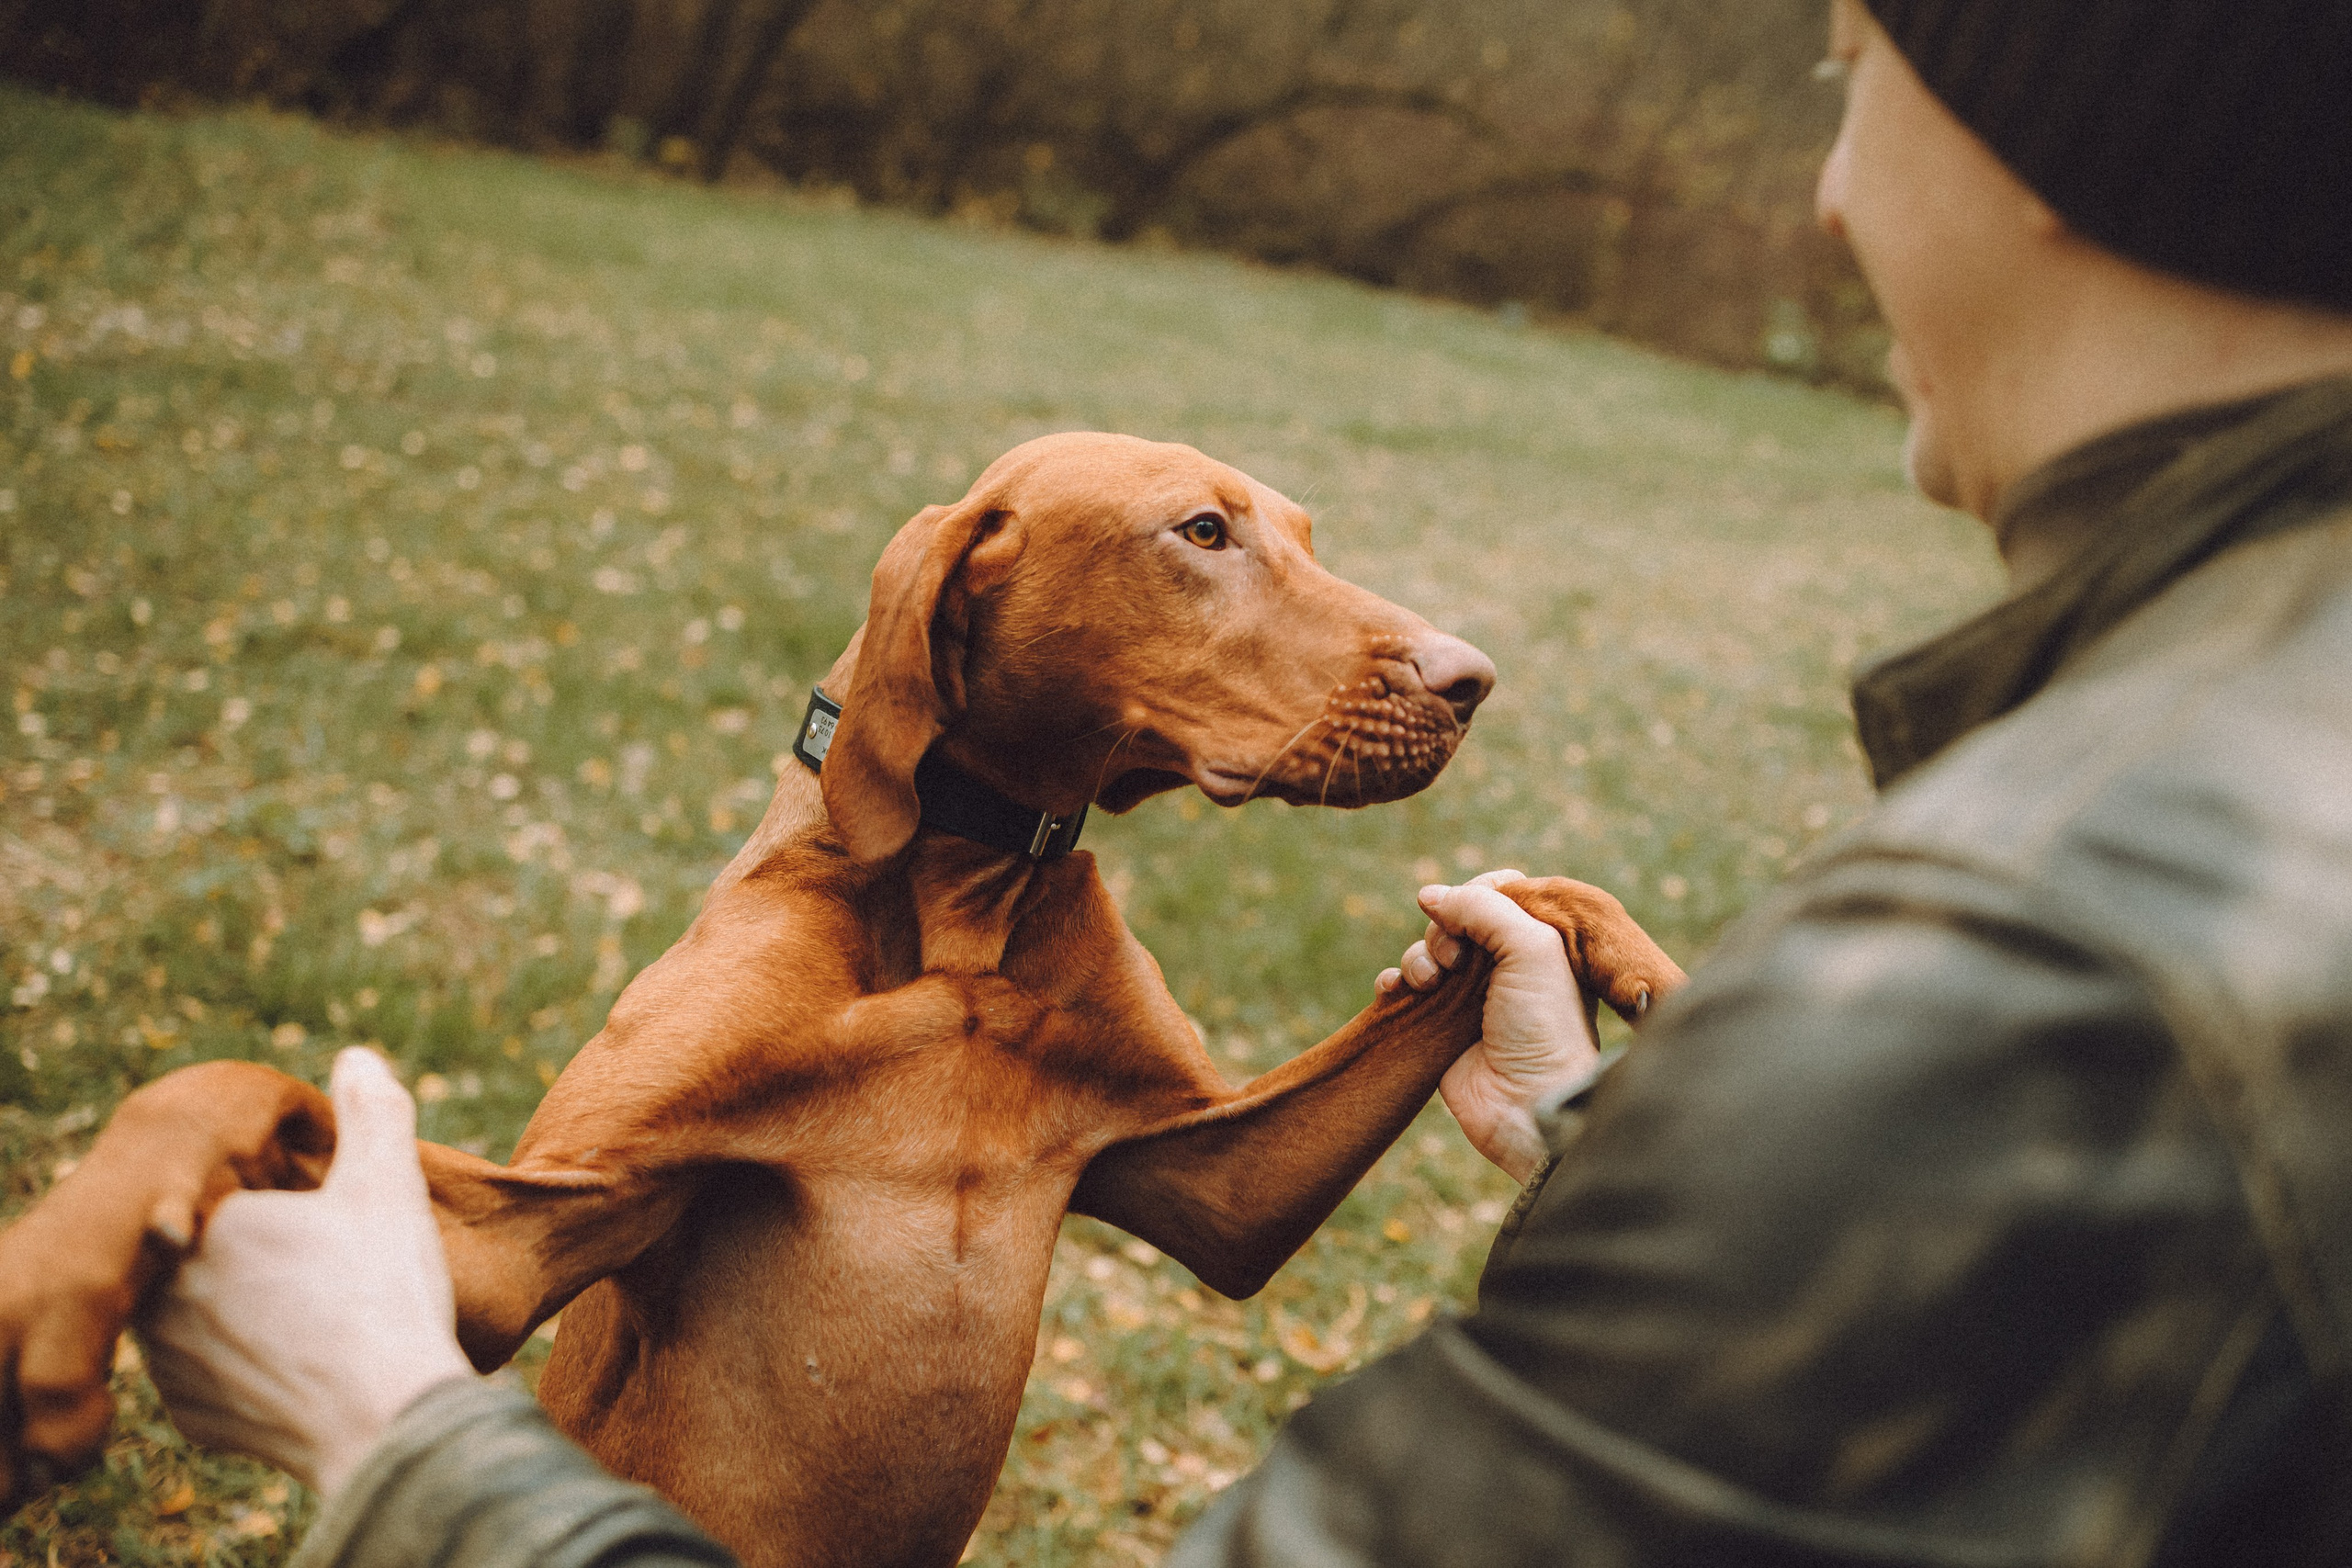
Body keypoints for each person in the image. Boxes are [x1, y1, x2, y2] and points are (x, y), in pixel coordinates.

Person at [139, 0, 2352, 1562]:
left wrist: (380, 1443)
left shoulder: (2061, 931)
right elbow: (494, 1249)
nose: (1826, 180)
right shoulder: (780, 954)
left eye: (1852, 70)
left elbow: (1212, 1207)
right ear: (951, 623)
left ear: (2052, 152)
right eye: (1216, 546)